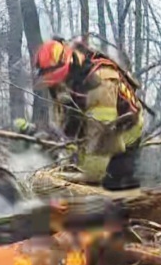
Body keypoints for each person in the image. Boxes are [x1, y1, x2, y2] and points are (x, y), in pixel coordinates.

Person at [32, 38, 145, 191]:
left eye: (56, 78)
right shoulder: (67, 83)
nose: (55, 84)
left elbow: (103, 137)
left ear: (68, 63)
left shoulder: (101, 82)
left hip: (123, 130)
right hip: (94, 126)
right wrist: (70, 160)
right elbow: (69, 129)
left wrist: (85, 176)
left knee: (112, 185)